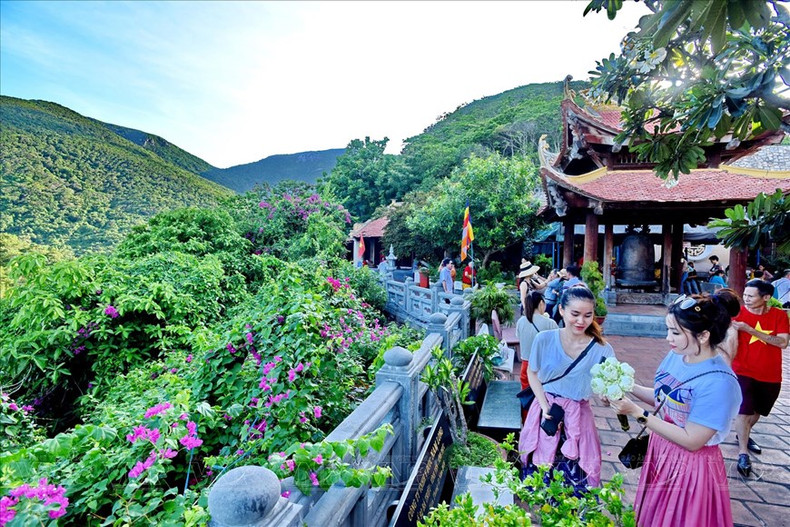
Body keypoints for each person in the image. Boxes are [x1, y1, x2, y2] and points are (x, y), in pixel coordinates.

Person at [609, 290, 742, 527]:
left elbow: (693, 440)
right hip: (662, 450)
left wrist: (636, 412)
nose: (668, 338)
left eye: (676, 333)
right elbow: (665, 399)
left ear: (702, 335)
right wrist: (627, 386)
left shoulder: (719, 382)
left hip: (690, 467)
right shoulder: (677, 356)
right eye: (668, 330)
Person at [518, 286, 615, 493]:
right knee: (541, 473)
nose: (581, 321)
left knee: (576, 478)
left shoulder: (602, 349)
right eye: (575, 314)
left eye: (588, 315)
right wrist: (544, 406)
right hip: (548, 413)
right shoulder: (544, 339)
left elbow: (607, 388)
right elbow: (533, 374)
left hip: (578, 416)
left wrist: (609, 398)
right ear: (561, 310)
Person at [731, 279, 790, 477]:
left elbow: (782, 342)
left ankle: (743, 436)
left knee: (756, 413)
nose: (745, 299)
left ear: (766, 298)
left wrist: (749, 330)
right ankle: (743, 453)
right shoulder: (737, 314)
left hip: (770, 374)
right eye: (744, 295)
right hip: (742, 370)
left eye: (750, 296)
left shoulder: (779, 316)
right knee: (744, 410)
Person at [516, 291, 559, 392]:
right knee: (542, 398)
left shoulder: (521, 321)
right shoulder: (550, 323)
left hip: (525, 366)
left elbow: (519, 337)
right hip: (543, 366)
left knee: (526, 396)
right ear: (541, 303)